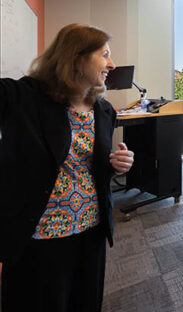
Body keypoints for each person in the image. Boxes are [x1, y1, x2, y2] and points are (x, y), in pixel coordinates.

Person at [0, 24, 135, 311]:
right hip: (40, 238)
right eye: (105, 55)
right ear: (76, 57)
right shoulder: (24, 97)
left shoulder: (104, 110)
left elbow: (91, 167)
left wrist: (117, 165)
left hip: (91, 232)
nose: (112, 64)